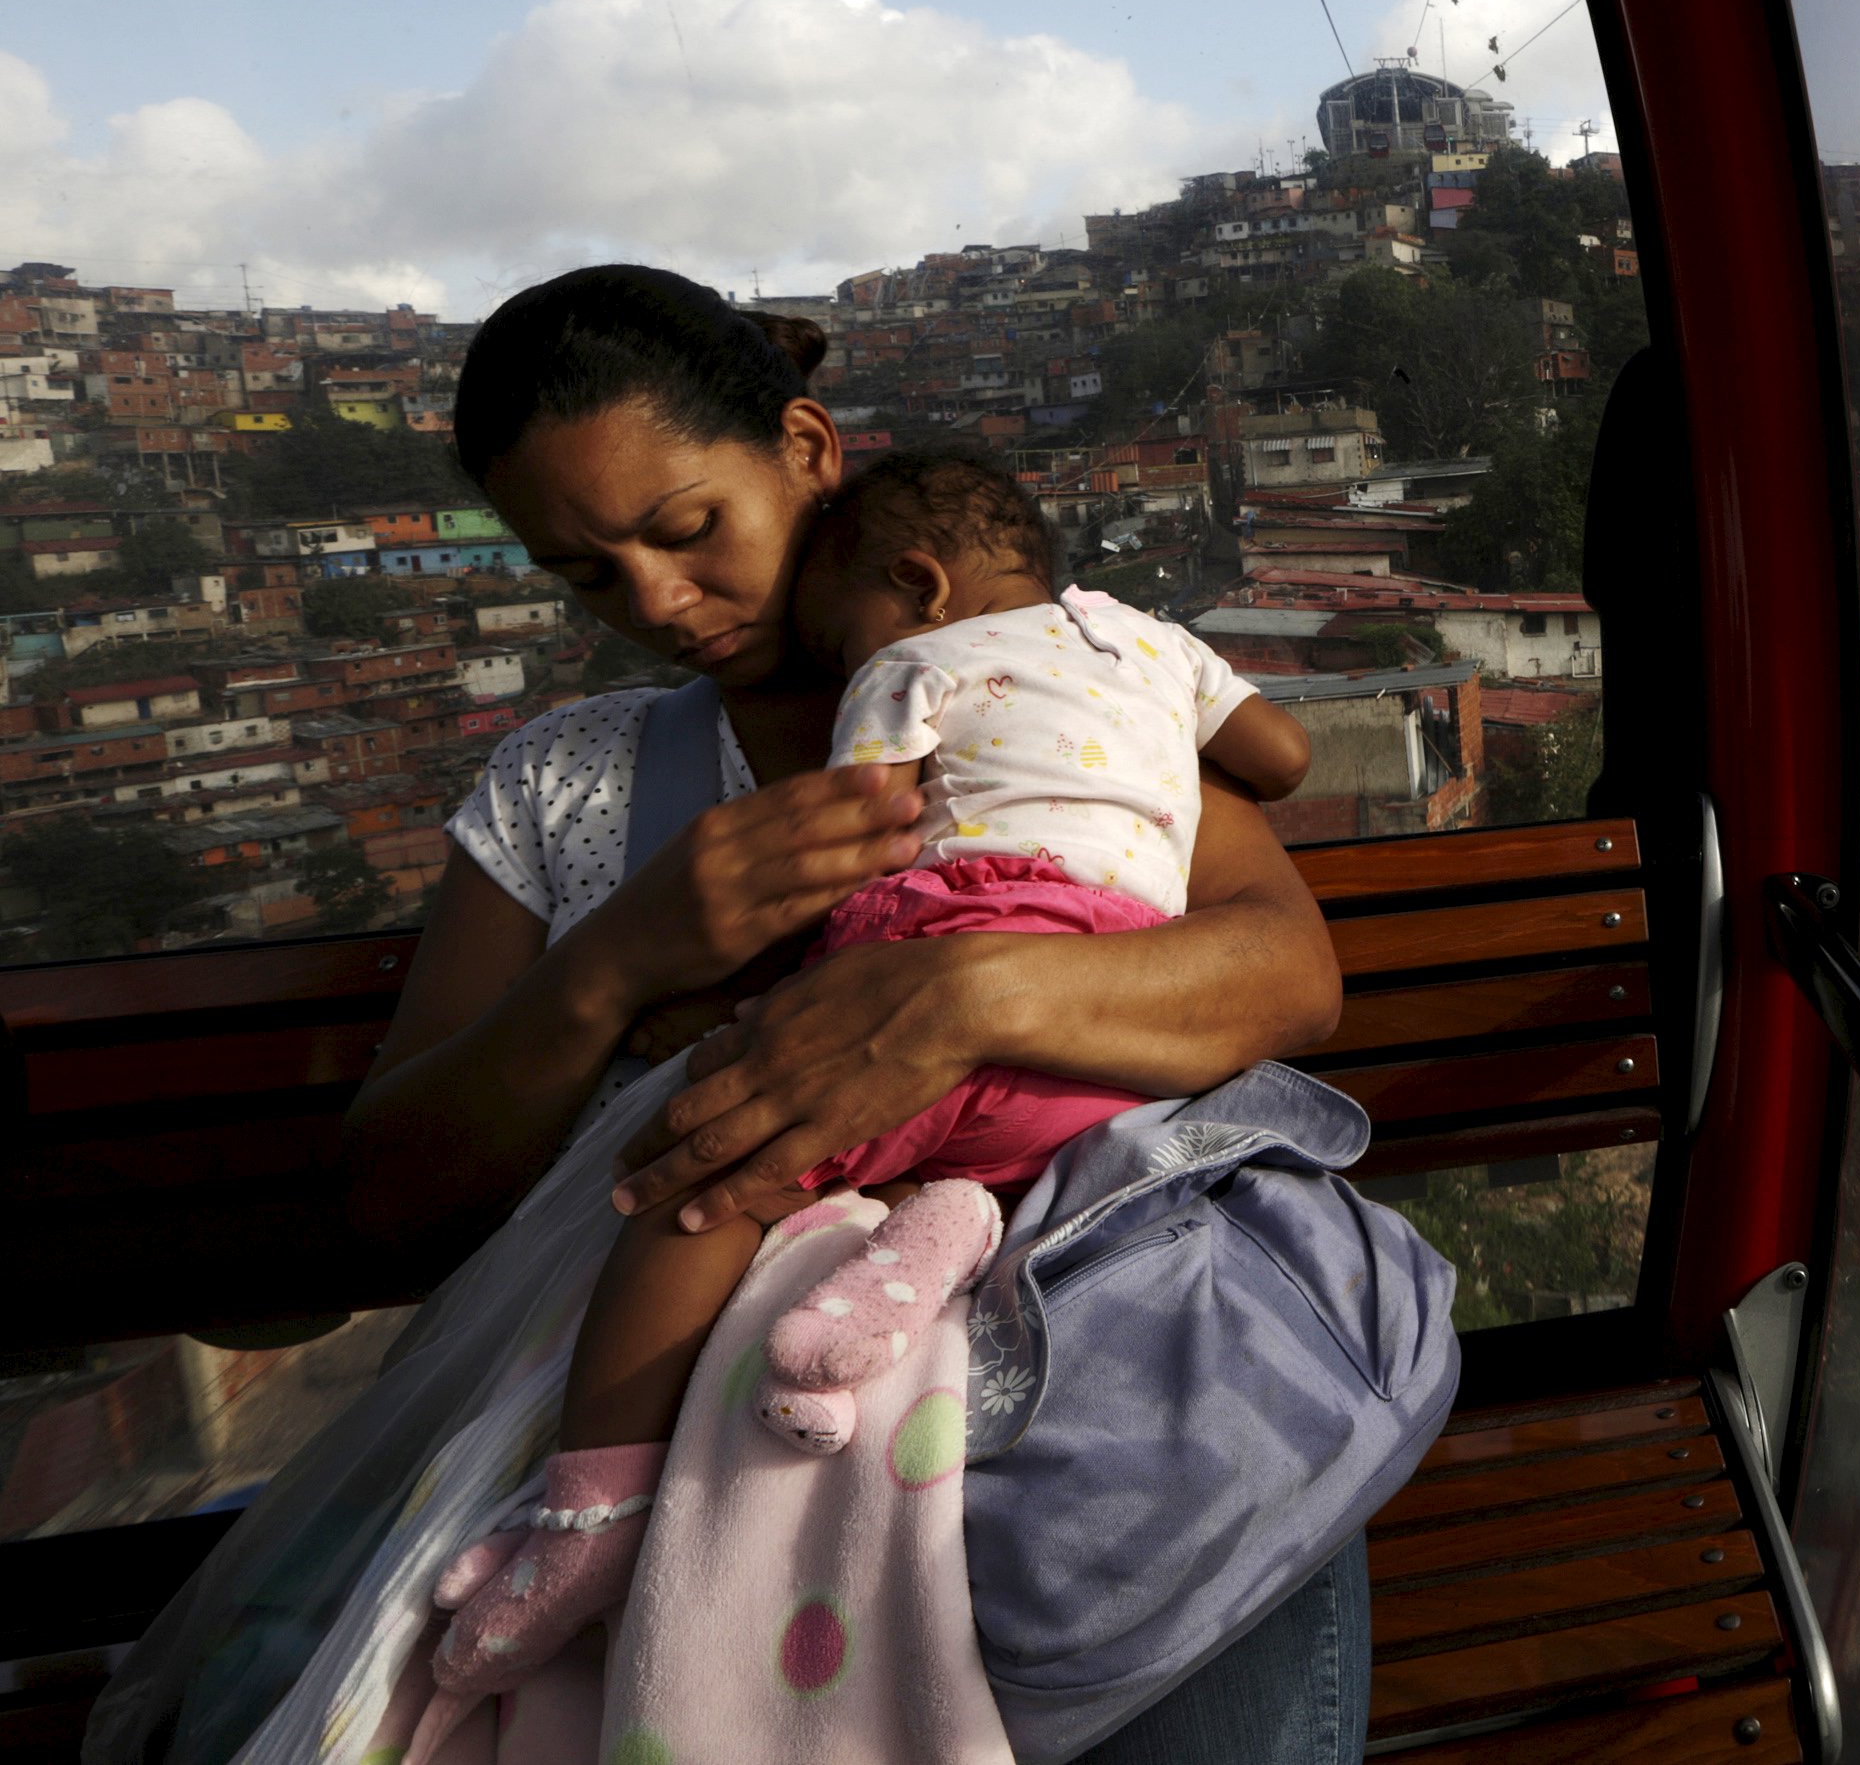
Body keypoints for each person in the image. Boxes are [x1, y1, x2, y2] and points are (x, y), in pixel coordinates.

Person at [334, 265, 1364, 1764]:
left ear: (808, 449)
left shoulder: (1035, 688)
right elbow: (389, 1194)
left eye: (690, 531)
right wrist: (616, 961)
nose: (661, 605)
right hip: (696, 1436)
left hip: (1111, 1353)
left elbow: (1285, 971)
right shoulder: (570, 785)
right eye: (587, 576)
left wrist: (948, 996)